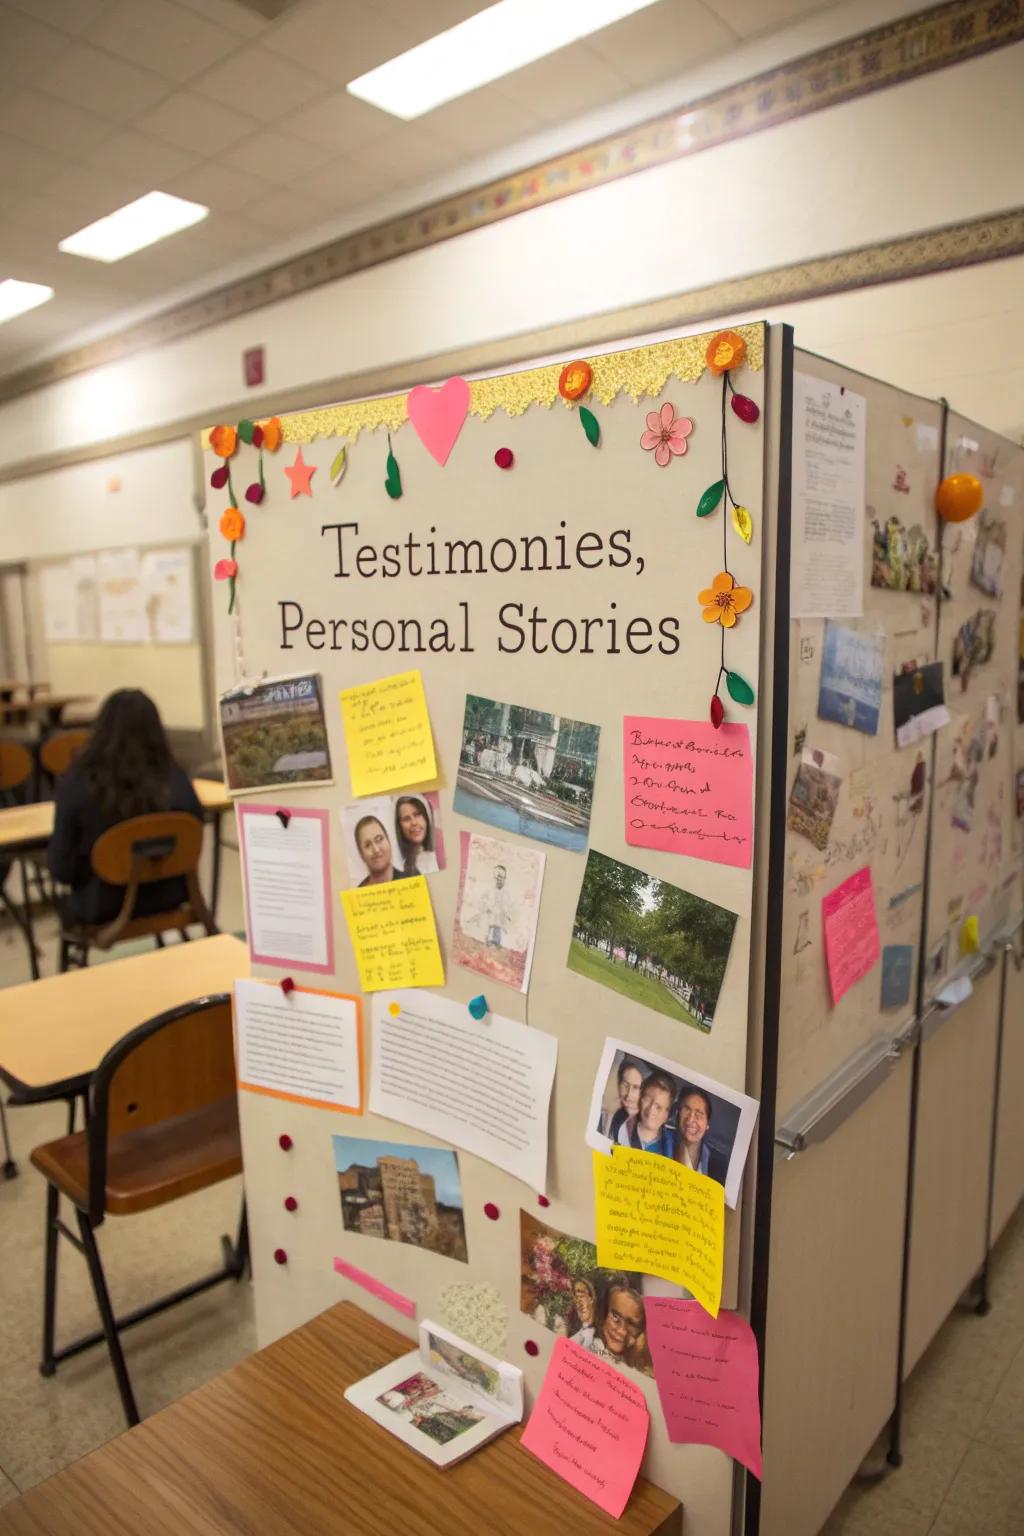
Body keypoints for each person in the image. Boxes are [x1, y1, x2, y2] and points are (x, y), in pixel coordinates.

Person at [48, 688, 202, 926]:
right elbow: (196, 834)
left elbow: (61, 870)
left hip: (104, 908)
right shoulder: (177, 779)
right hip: (170, 897)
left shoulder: (78, 783)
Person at [583, 1276, 651, 1373]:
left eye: (632, 1324)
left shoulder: (640, 1367)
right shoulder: (586, 1343)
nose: (621, 1331)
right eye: (615, 1316)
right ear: (604, 1313)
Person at [670, 1085, 728, 1184]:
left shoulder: (719, 1166)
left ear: (707, 1124)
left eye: (699, 1114)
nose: (691, 1119)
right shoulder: (663, 1146)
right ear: (678, 1114)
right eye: (686, 1110)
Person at [616, 1070, 675, 1157]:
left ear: (666, 1115)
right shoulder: (621, 1130)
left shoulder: (673, 1145)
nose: (651, 1109)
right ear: (640, 1099)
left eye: (658, 1107)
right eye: (647, 1100)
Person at [354, 815, 408, 886]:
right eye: (367, 845)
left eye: (379, 839)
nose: (376, 850)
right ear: (361, 854)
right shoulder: (358, 894)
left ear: (388, 841)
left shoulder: (410, 883)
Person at [598, 1059, 643, 1140]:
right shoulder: (609, 1113)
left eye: (635, 1087)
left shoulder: (646, 1123)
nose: (629, 1094)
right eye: (625, 1085)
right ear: (619, 1083)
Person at [394, 794, 439, 875]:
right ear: (399, 827)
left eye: (417, 815)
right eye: (406, 819)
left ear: (426, 818)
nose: (414, 822)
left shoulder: (438, 857)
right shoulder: (400, 869)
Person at [481, 862, 513, 947]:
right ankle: (489, 940)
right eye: (497, 877)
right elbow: (484, 900)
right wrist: (486, 907)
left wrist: (508, 914)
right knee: (490, 925)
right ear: (493, 878)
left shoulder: (506, 893)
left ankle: (496, 941)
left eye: (501, 877)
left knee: (498, 926)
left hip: (500, 917)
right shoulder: (490, 890)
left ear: (505, 879)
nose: (499, 880)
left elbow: (508, 906)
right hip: (491, 915)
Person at [567, 1276, 598, 1347]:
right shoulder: (573, 1339)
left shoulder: (600, 1335)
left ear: (591, 1299)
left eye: (582, 1296)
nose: (579, 1303)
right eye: (576, 1298)